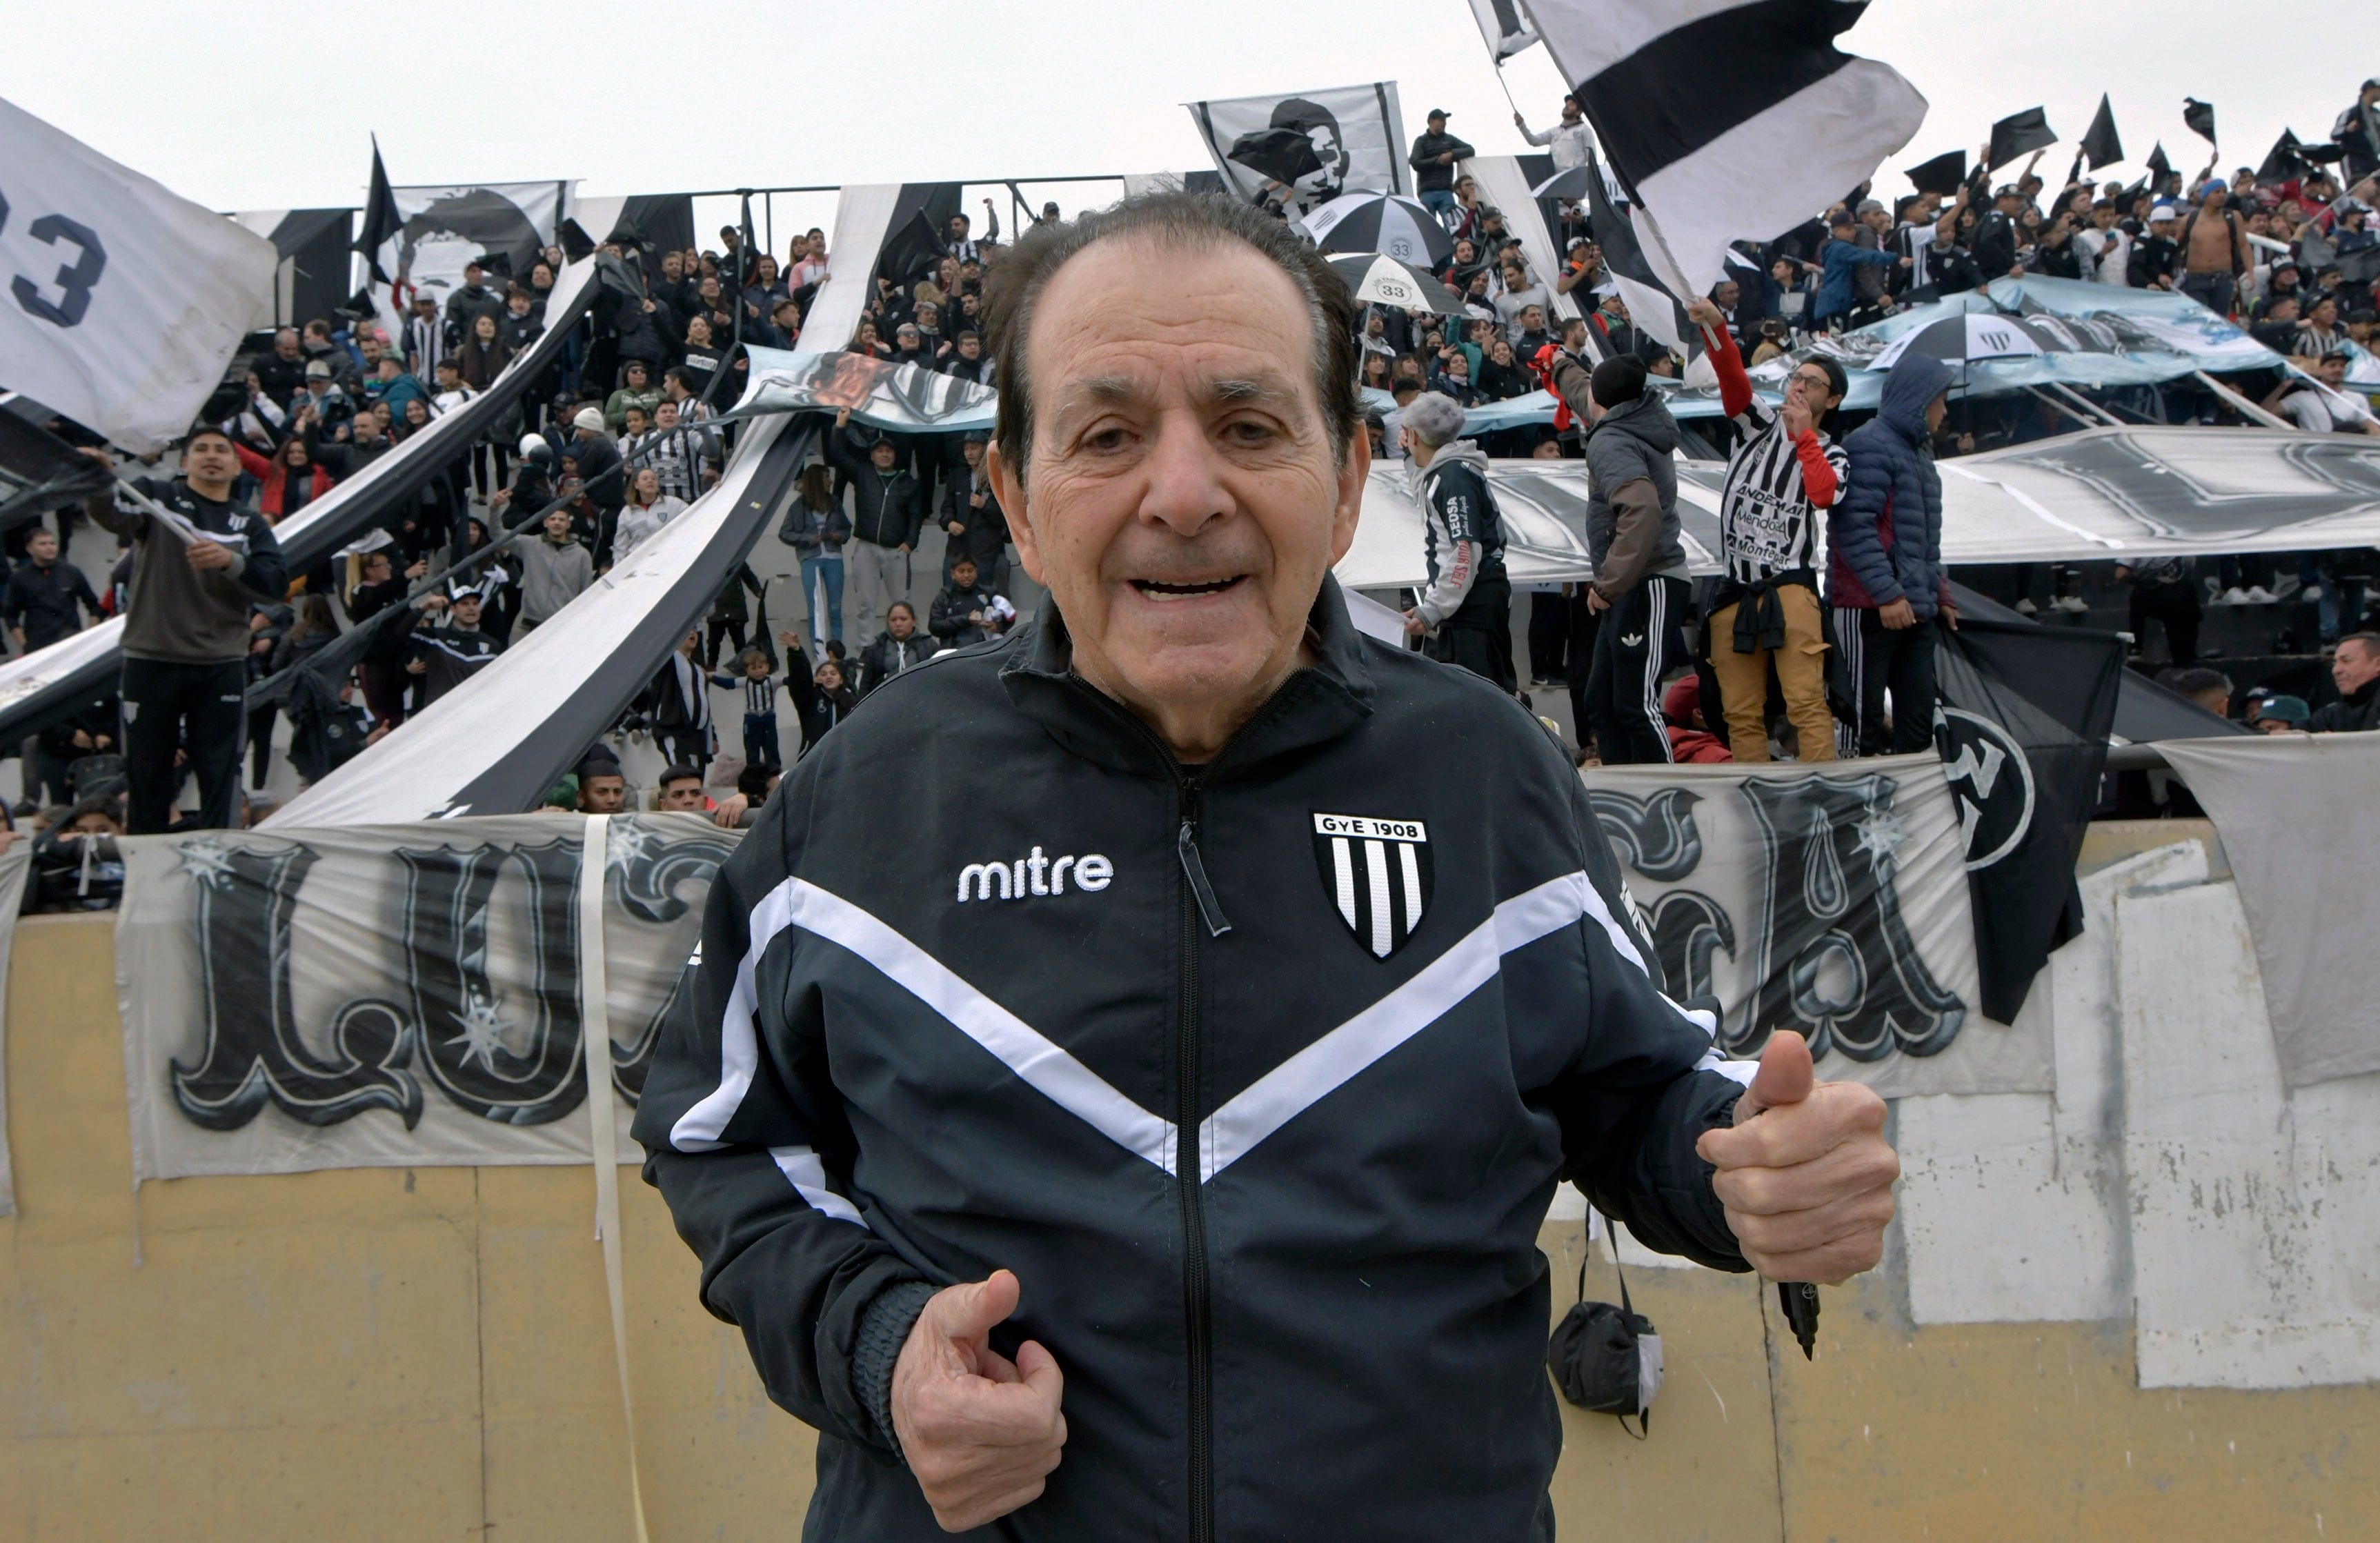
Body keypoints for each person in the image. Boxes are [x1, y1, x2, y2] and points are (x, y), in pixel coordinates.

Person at [632, 192, 1896, 1540]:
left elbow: (1640, 1090)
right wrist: (881, 1341)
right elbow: (715, 1132)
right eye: (1108, 434)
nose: (1185, 495)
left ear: (1349, 482)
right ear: (1014, 490)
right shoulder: (871, 791)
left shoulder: (1483, 771)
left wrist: (1746, 1168)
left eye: (1248, 426)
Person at [80, 430, 288, 833]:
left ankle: (219, 863)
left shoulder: (249, 523)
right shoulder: (156, 497)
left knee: (221, 772)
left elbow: (275, 584)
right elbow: (111, 514)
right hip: (152, 658)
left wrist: (230, 561)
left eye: (221, 450)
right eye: (202, 450)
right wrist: (98, 479)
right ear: (184, 462)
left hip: (220, 663)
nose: (212, 457)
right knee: (147, 772)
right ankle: (146, 865)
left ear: (237, 465)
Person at [1689, 297, 1847, 764]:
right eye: (1796, 377)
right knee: (1740, 710)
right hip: (1735, 587)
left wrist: (1803, 436)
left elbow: (1823, 495)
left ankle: (1825, 793)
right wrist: (1715, 325)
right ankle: (1753, 796)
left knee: (1805, 702)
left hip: (1791, 589)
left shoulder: (1834, 451)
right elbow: (1732, 377)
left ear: (1832, 400)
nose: (1799, 386)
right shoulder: (1756, 422)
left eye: (1812, 383)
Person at [1547, 351, 1693, 764]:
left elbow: (1642, 511)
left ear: (1602, 399)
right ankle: (1622, 794)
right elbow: (1584, 391)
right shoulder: (1635, 416)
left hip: (1647, 580)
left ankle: (1667, 799)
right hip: (1633, 582)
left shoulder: (1611, 441)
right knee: (1603, 702)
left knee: (1635, 704)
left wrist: (1607, 583)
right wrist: (1558, 364)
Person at [1830, 352, 1957, 757]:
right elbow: (1852, 529)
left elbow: (1922, 541)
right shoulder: (1868, 444)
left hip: (1914, 609)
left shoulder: (1920, 455)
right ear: (1922, 400)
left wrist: (1940, 595)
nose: (1946, 409)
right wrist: (1887, 594)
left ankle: (1905, 815)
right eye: (1943, 398)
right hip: (1867, 610)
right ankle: (1848, 815)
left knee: (1918, 728)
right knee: (1858, 723)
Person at [1395, 392, 1514, 694]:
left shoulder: (1454, 479)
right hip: (1464, 607)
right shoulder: (1445, 472)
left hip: (1473, 610)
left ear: (1416, 436)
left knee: (1481, 702)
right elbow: (1423, 485)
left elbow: (1466, 551)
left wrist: (1430, 611)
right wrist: (1410, 456)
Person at [828, 407, 924, 636]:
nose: (884, 454)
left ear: (895, 455)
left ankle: (907, 647)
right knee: (866, 604)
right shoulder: (863, 474)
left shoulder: (906, 482)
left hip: (897, 550)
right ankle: (865, 651)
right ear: (871, 455)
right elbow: (837, 454)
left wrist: (911, 542)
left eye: (888, 451)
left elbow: (915, 515)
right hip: (866, 548)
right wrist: (840, 425)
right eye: (879, 451)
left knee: (902, 604)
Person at [5, 526, 101, 655]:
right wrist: (25, 645)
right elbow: (10, 615)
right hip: (39, 646)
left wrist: (90, 635)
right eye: (42, 544)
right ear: (30, 549)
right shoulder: (20, 578)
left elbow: (94, 605)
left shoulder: (71, 572)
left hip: (72, 641)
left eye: (52, 543)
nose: (49, 547)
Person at [404, 586, 504, 709]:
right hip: (439, 716)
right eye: (465, 604)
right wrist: (424, 607)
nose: (471, 608)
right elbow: (401, 633)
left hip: (476, 716)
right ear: (452, 609)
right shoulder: (436, 637)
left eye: (475, 603)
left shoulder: (492, 646)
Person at [939, 432, 1009, 591]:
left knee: (983, 595)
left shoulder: (996, 476)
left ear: (985, 450)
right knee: (949, 593)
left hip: (985, 549)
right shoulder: (957, 475)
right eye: (966, 449)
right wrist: (950, 522)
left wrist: (985, 505)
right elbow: (946, 509)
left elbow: (1005, 516)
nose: (969, 453)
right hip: (957, 547)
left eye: (974, 448)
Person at [773, 630, 857, 755]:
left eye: (833, 674)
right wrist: (796, 651)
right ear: (816, 679)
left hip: (843, 757)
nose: (828, 676)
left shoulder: (851, 699)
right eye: (823, 674)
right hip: (814, 758)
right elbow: (800, 679)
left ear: (841, 680)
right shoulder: (810, 699)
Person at [516, 506, 593, 632]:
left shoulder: (582, 555)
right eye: (552, 519)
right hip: (532, 621)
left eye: (561, 520)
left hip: (563, 623)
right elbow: (498, 536)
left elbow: (586, 591)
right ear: (546, 523)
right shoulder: (530, 544)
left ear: (568, 524)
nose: (557, 522)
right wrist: (495, 509)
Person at [643, 630, 714, 767]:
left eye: (694, 629)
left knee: (695, 782)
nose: (692, 632)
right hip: (675, 730)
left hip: (698, 735)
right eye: (686, 629)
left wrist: (713, 736)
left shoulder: (698, 668)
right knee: (682, 776)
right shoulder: (669, 660)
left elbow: (703, 702)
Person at [711, 646, 788, 770]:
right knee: (752, 749)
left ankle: (775, 772)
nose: (758, 671)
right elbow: (728, 684)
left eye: (760, 667)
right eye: (753, 668)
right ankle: (753, 773)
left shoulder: (772, 681)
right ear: (747, 670)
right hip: (751, 719)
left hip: (768, 719)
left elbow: (788, 681)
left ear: (767, 667)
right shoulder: (745, 681)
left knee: (771, 747)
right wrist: (712, 678)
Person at [2116, 557, 2201, 667]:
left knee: (2140, 598)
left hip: (2163, 597)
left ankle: (2136, 648)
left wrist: (2140, 581)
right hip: (2177, 599)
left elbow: (2121, 574)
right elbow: (2121, 574)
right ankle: (2187, 657)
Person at [1407, 108, 1475, 224]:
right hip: (1427, 192)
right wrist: (1438, 160)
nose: (1445, 123)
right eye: (1442, 120)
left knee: (1453, 224)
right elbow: (1415, 162)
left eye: (1445, 120)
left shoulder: (1449, 139)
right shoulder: (1421, 141)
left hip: (1446, 191)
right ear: (1431, 121)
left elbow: (1470, 150)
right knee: (1428, 226)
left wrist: (1452, 154)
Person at [854, 600, 932, 697]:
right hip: (885, 702)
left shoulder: (928, 645)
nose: (898, 624)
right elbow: (865, 686)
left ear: (914, 621)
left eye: (903, 619)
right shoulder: (877, 648)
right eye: (893, 620)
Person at [615, 468, 690, 564]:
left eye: (653, 479)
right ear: (636, 485)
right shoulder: (627, 512)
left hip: (668, 560)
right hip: (638, 563)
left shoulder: (673, 504)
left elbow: (697, 513)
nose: (650, 481)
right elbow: (620, 547)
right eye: (645, 479)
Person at [2309, 633, 2380, 732]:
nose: (2335, 670)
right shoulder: (2331, 715)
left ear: (2378, 664)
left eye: (2346, 661)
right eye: (2334, 663)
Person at [927, 553, 1001, 648]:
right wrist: (966, 619)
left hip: (986, 649)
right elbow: (934, 627)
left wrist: (997, 626)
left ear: (976, 573)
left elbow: (1008, 616)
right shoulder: (945, 596)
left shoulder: (989, 593)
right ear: (953, 574)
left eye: (970, 571)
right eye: (961, 571)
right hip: (954, 652)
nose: (966, 575)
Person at [1515, 94, 1593, 172]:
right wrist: (1521, 125)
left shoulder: (1584, 129)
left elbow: (1591, 158)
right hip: (1555, 178)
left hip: (1575, 177)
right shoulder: (1554, 131)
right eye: (1566, 104)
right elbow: (1534, 141)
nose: (1566, 107)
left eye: (1571, 105)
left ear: (1578, 112)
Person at [575, 745, 628, 815]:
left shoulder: (631, 824)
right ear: (582, 797)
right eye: (602, 792)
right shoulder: (566, 823)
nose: (612, 800)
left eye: (617, 792)